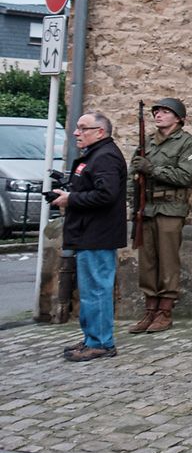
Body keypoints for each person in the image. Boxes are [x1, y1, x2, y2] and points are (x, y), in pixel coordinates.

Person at [51, 110, 127, 363]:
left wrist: (70, 199)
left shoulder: (105, 157)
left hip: (98, 234)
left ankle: (101, 343)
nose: (76, 132)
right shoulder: (95, 155)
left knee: (96, 291)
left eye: (83, 128)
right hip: (88, 232)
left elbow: (107, 195)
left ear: (100, 132)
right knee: (90, 290)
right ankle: (92, 338)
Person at [127, 98, 192, 334]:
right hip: (146, 209)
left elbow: (184, 176)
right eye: (156, 111)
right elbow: (132, 177)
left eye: (165, 111)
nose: (158, 115)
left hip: (170, 208)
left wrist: (152, 169)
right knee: (147, 262)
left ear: (178, 118)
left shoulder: (186, 143)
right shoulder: (146, 143)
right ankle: (150, 309)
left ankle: (165, 311)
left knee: (168, 261)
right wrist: (133, 205)